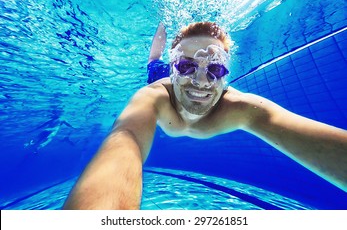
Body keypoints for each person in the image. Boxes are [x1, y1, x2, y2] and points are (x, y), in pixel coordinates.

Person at [63, 22, 347, 210]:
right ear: (176, 68)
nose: (201, 80)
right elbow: (126, 137)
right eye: (186, 66)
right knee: (153, 62)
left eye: (216, 70)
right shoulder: (153, 97)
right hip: (161, 75)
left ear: (226, 77)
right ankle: (162, 45)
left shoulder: (240, 107)